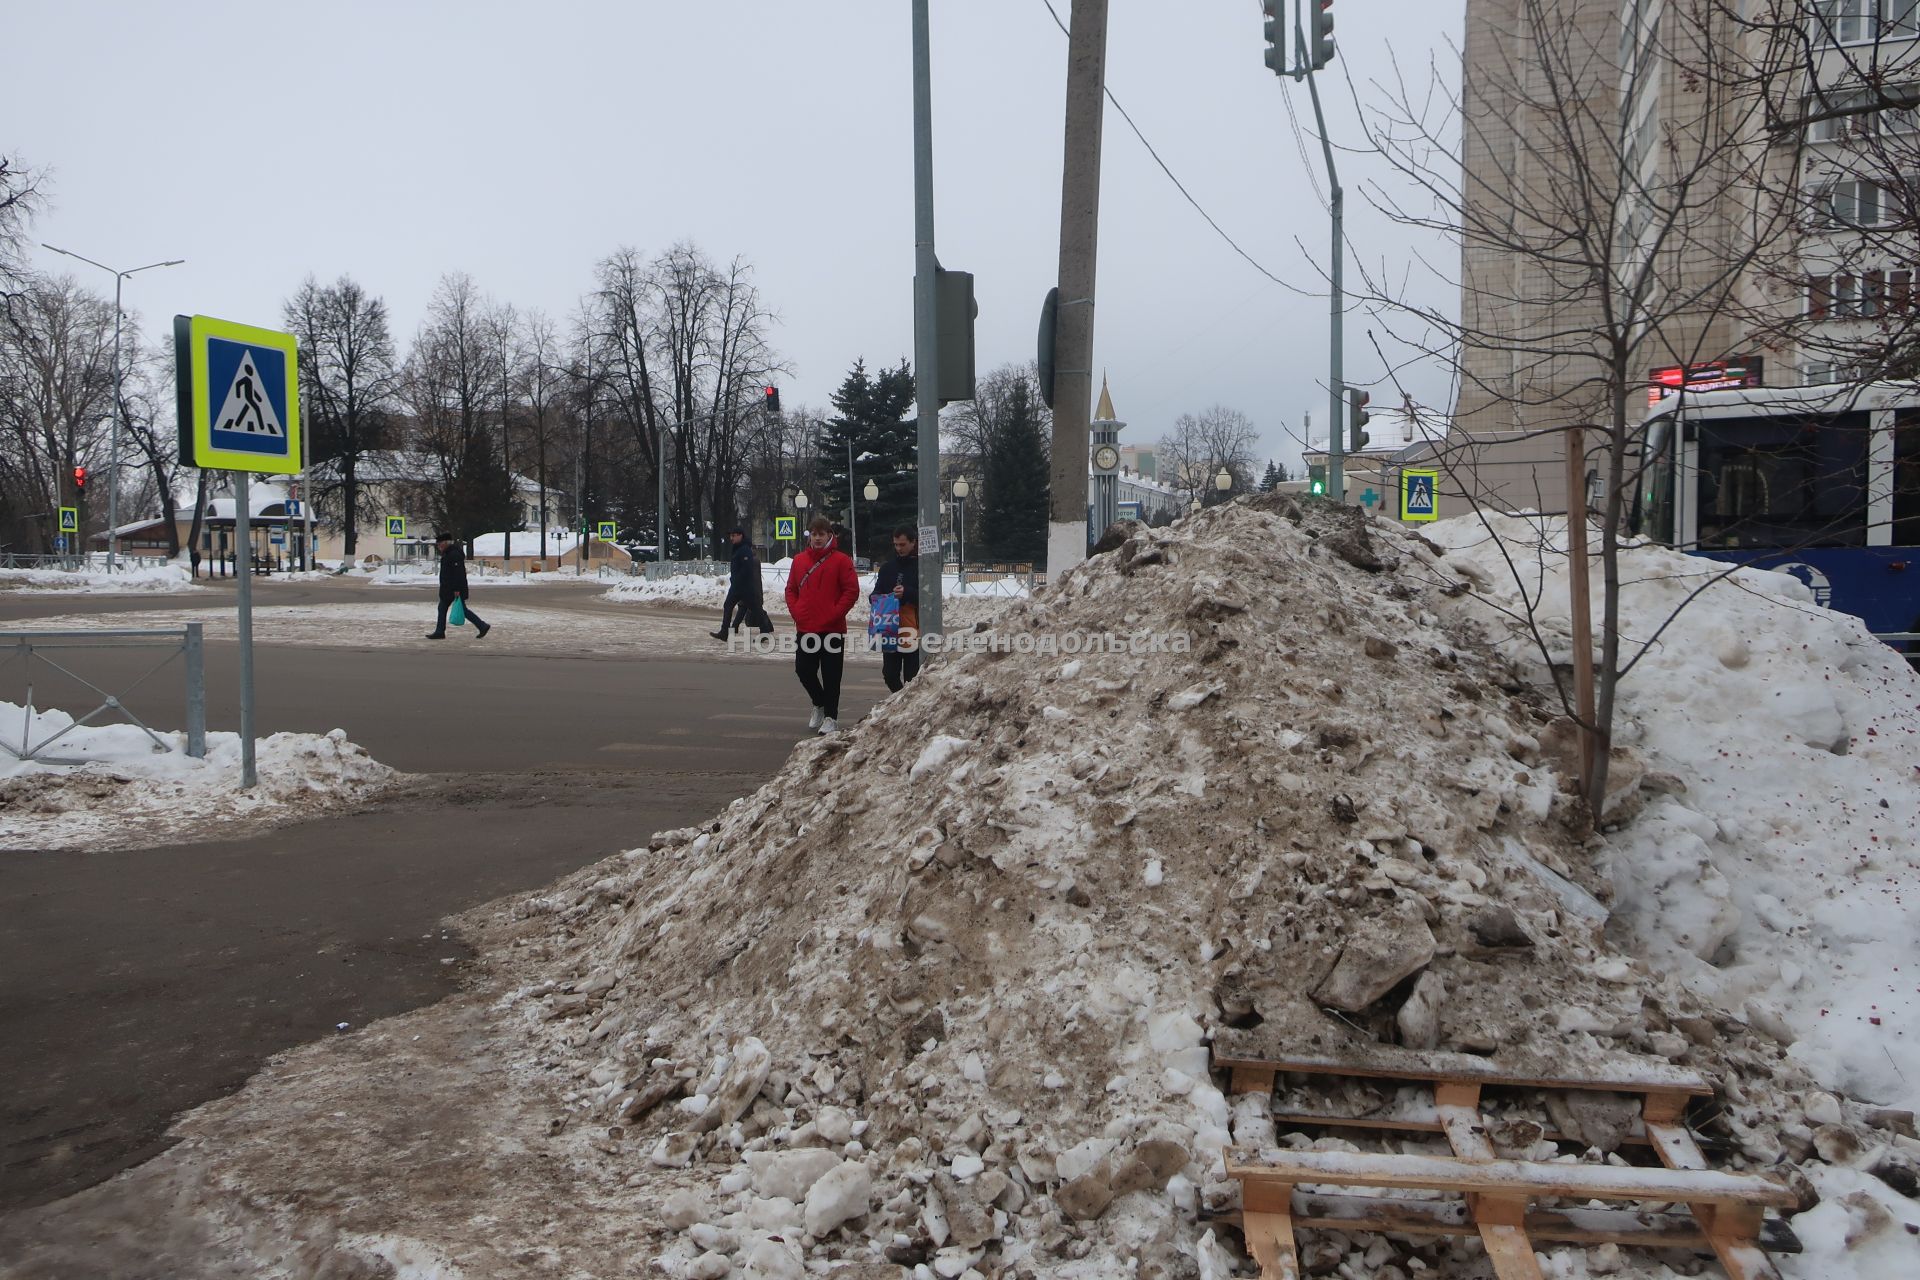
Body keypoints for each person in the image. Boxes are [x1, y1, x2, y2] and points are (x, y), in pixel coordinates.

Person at [784, 515, 858, 734]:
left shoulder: (841, 561)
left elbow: (851, 591)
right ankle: (819, 702)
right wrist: (797, 612)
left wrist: (835, 613)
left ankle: (831, 717)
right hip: (806, 627)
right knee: (803, 670)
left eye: (821, 534)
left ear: (829, 535)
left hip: (832, 628)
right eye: (814, 534)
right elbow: (791, 590)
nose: (817, 538)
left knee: (831, 675)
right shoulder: (799, 561)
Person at [871, 526, 922, 692]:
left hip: (912, 627)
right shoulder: (887, 568)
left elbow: (929, 598)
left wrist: (906, 592)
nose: (899, 548)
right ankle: (899, 702)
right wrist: (874, 597)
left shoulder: (922, 567)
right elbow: (877, 591)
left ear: (913, 542)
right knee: (889, 674)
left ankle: (907, 704)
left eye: (903, 544)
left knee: (912, 676)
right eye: (896, 545)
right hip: (889, 627)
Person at [425, 531, 490, 640]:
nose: (438, 546)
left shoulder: (453, 554)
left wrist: (456, 589)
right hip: (448, 588)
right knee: (443, 608)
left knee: (461, 610)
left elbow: (458, 573)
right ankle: (440, 631)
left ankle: (482, 625)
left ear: (446, 543)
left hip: (454, 589)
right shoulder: (448, 553)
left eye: (440, 543)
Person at [712, 527, 766, 638]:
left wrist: (737, 580)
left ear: (740, 535)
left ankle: (765, 631)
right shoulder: (738, 548)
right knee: (728, 605)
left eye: (733, 535)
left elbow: (747, 568)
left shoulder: (745, 549)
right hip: (737, 586)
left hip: (745, 587)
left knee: (755, 608)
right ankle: (724, 631)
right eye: (730, 536)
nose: (731, 538)